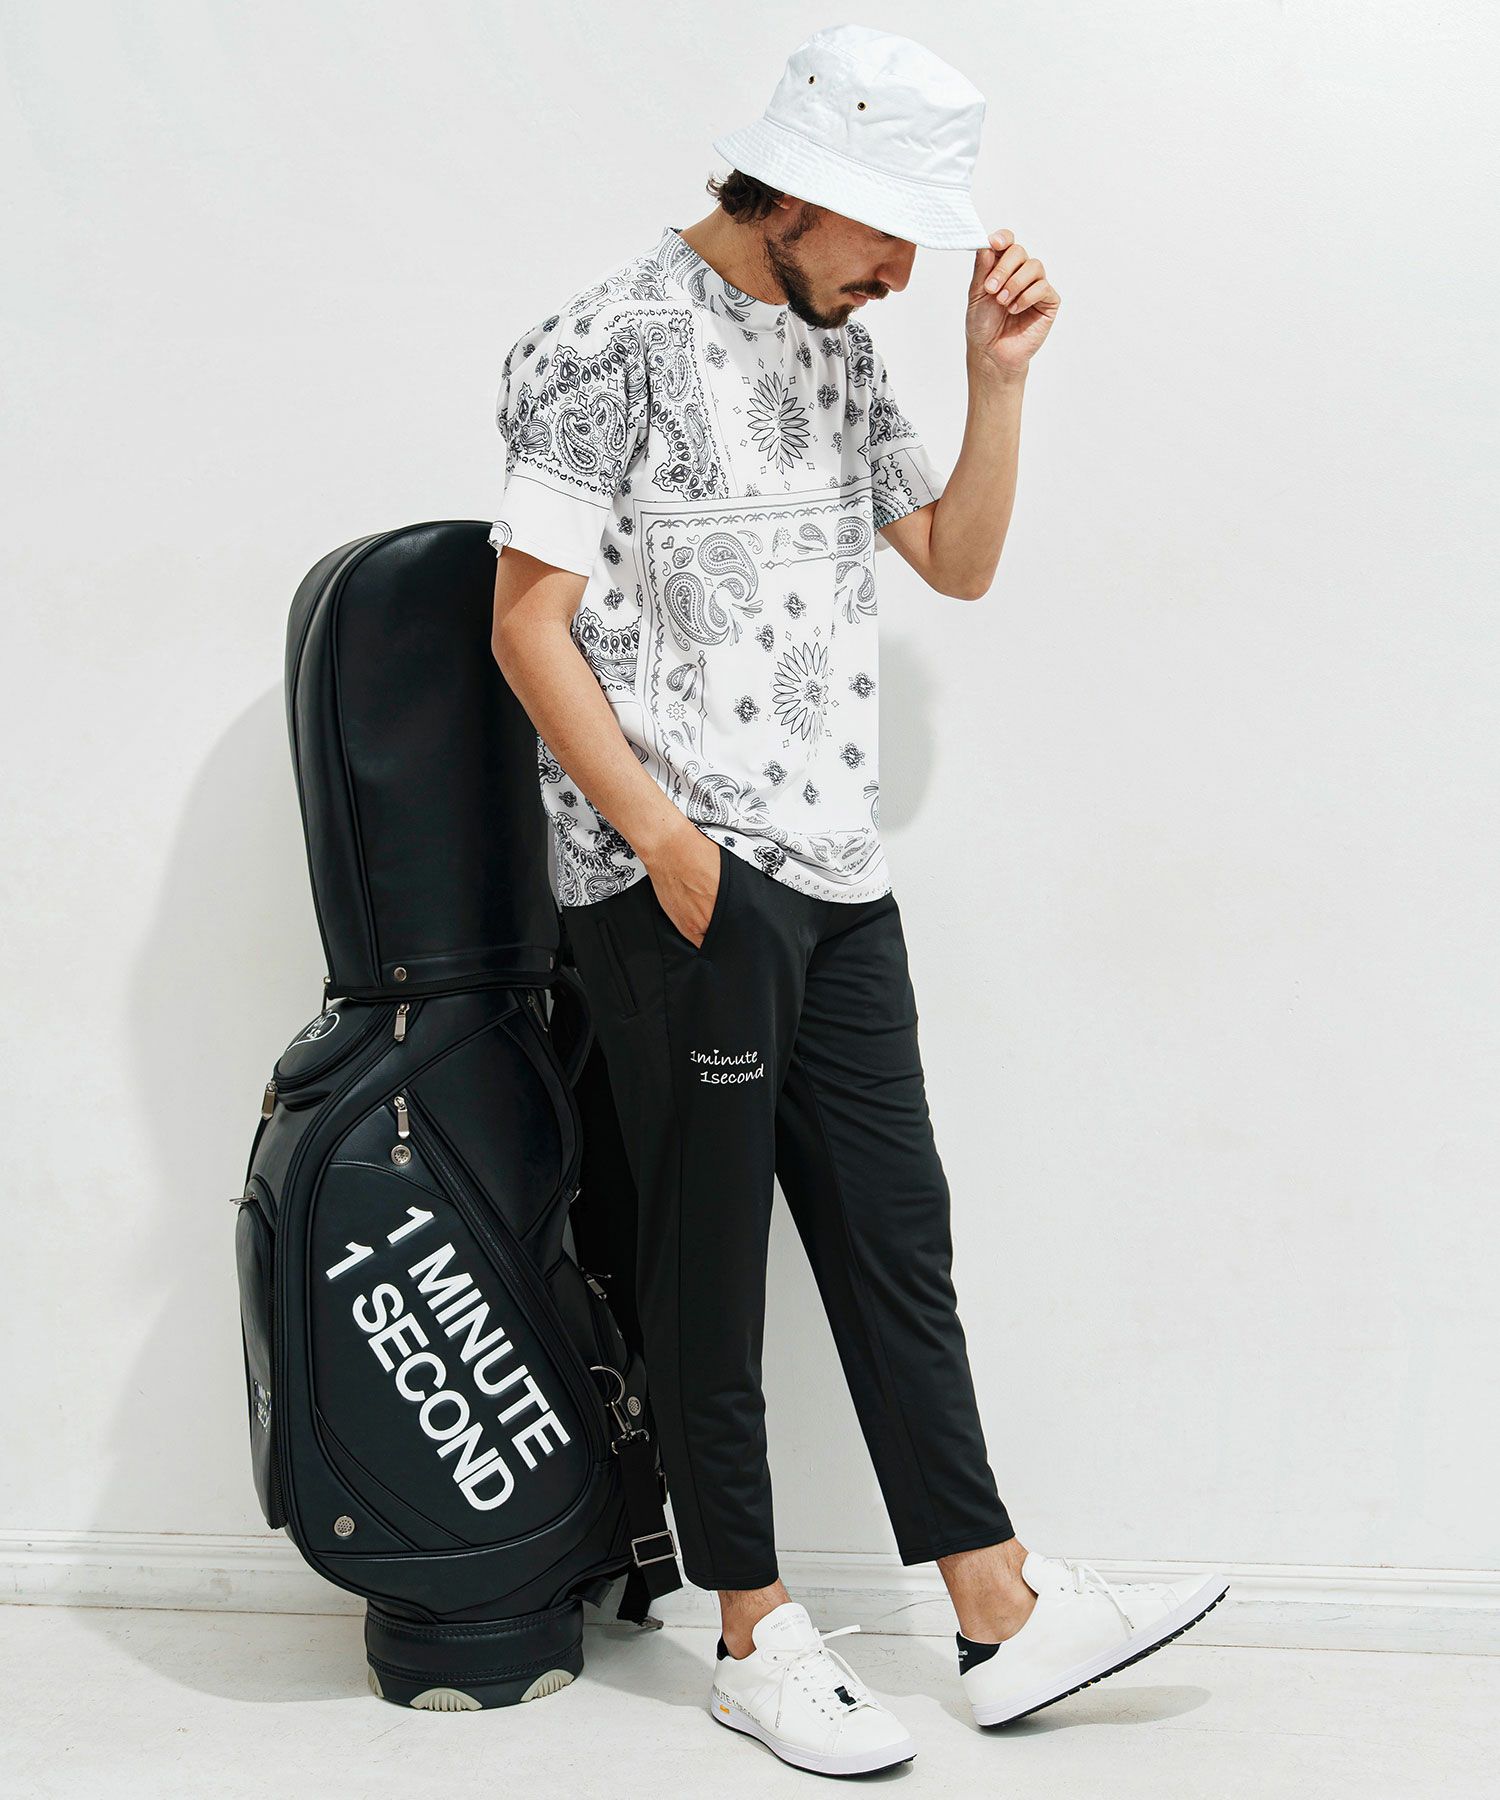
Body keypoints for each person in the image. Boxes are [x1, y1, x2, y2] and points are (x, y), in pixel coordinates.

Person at [489, 22, 1228, 1778]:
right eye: (892, 235)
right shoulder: (599, 343)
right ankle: (751, 1633)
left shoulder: (841, 345)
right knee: (707, 1260)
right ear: (796, 194)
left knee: (899, 1239)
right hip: (682, 882)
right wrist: (671, 850)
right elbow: (525, 627)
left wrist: (999, 378)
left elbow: (955, 563)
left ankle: (997, 1608)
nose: (905, 270)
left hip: (836, 873)